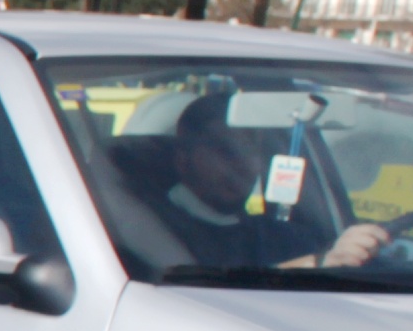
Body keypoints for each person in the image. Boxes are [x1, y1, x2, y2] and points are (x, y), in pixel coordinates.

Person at [157, 91, 383, 270]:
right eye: (225, 151)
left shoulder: (279, 236)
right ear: (183, 160)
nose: (242, 164)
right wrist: (320, 263)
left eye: (250, 151)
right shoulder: (155, 229)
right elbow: (207, 292)